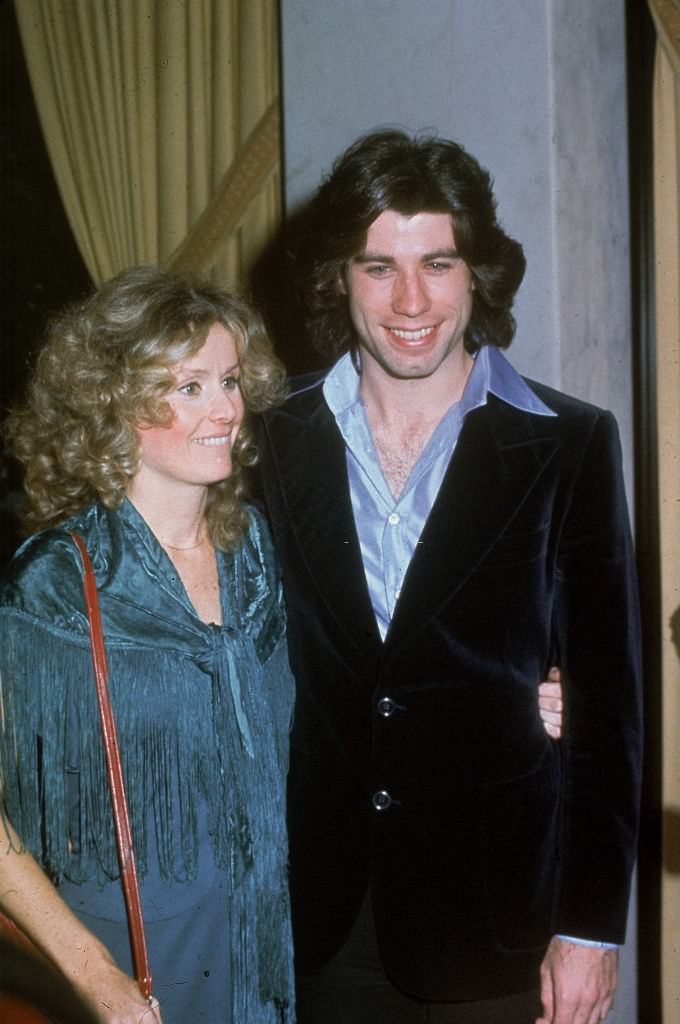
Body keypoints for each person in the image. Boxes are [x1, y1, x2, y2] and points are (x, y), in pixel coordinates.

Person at [257, 130, 642, 1024]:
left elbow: (609, 715)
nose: (412, 300)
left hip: (497, 921)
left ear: (478, 274)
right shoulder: (269, 442)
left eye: (438, 262)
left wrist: (591, 929)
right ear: (337, 280)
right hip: (315, 916)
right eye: (377, 267)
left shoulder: (569, 443)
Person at [0, 266, 296, 1024]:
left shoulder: (257, 549)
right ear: (114, 402)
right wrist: (96, 978)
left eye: (229, 382)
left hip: (265, 950)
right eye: (189, 387)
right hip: (141, 967)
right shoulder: (61, 582)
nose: (226, 409)